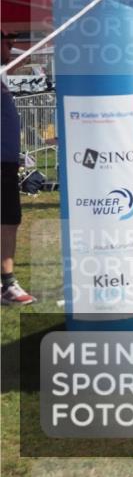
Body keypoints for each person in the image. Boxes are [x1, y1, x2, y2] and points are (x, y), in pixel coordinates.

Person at [1, 32, 34, 305]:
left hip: (7, 164)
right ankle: (8, 284)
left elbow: (24, 58)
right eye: (6, 40)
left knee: (9, 221)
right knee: (7, 221)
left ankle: (7, 284)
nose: (11, 45)